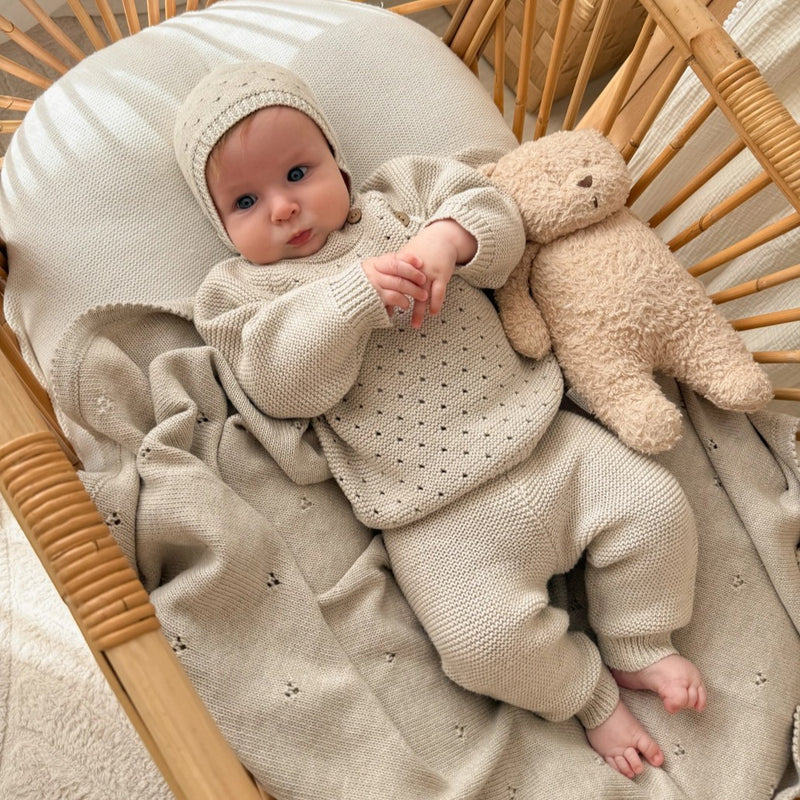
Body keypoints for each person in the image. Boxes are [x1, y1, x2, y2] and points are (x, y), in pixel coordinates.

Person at [175, 61, 706, 779]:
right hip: (431, 512)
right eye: (245, 200)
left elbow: (496, 211)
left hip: (544, 438)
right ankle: (589, 692)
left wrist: (445, 242)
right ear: (218, 223)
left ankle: (641, 641)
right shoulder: (239, 293)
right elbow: (279, 384)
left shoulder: (400, 197)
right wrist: (350, 301)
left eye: (298, 174)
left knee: (656, 508)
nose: (283, 208)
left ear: (337, 157)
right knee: (480, 643)